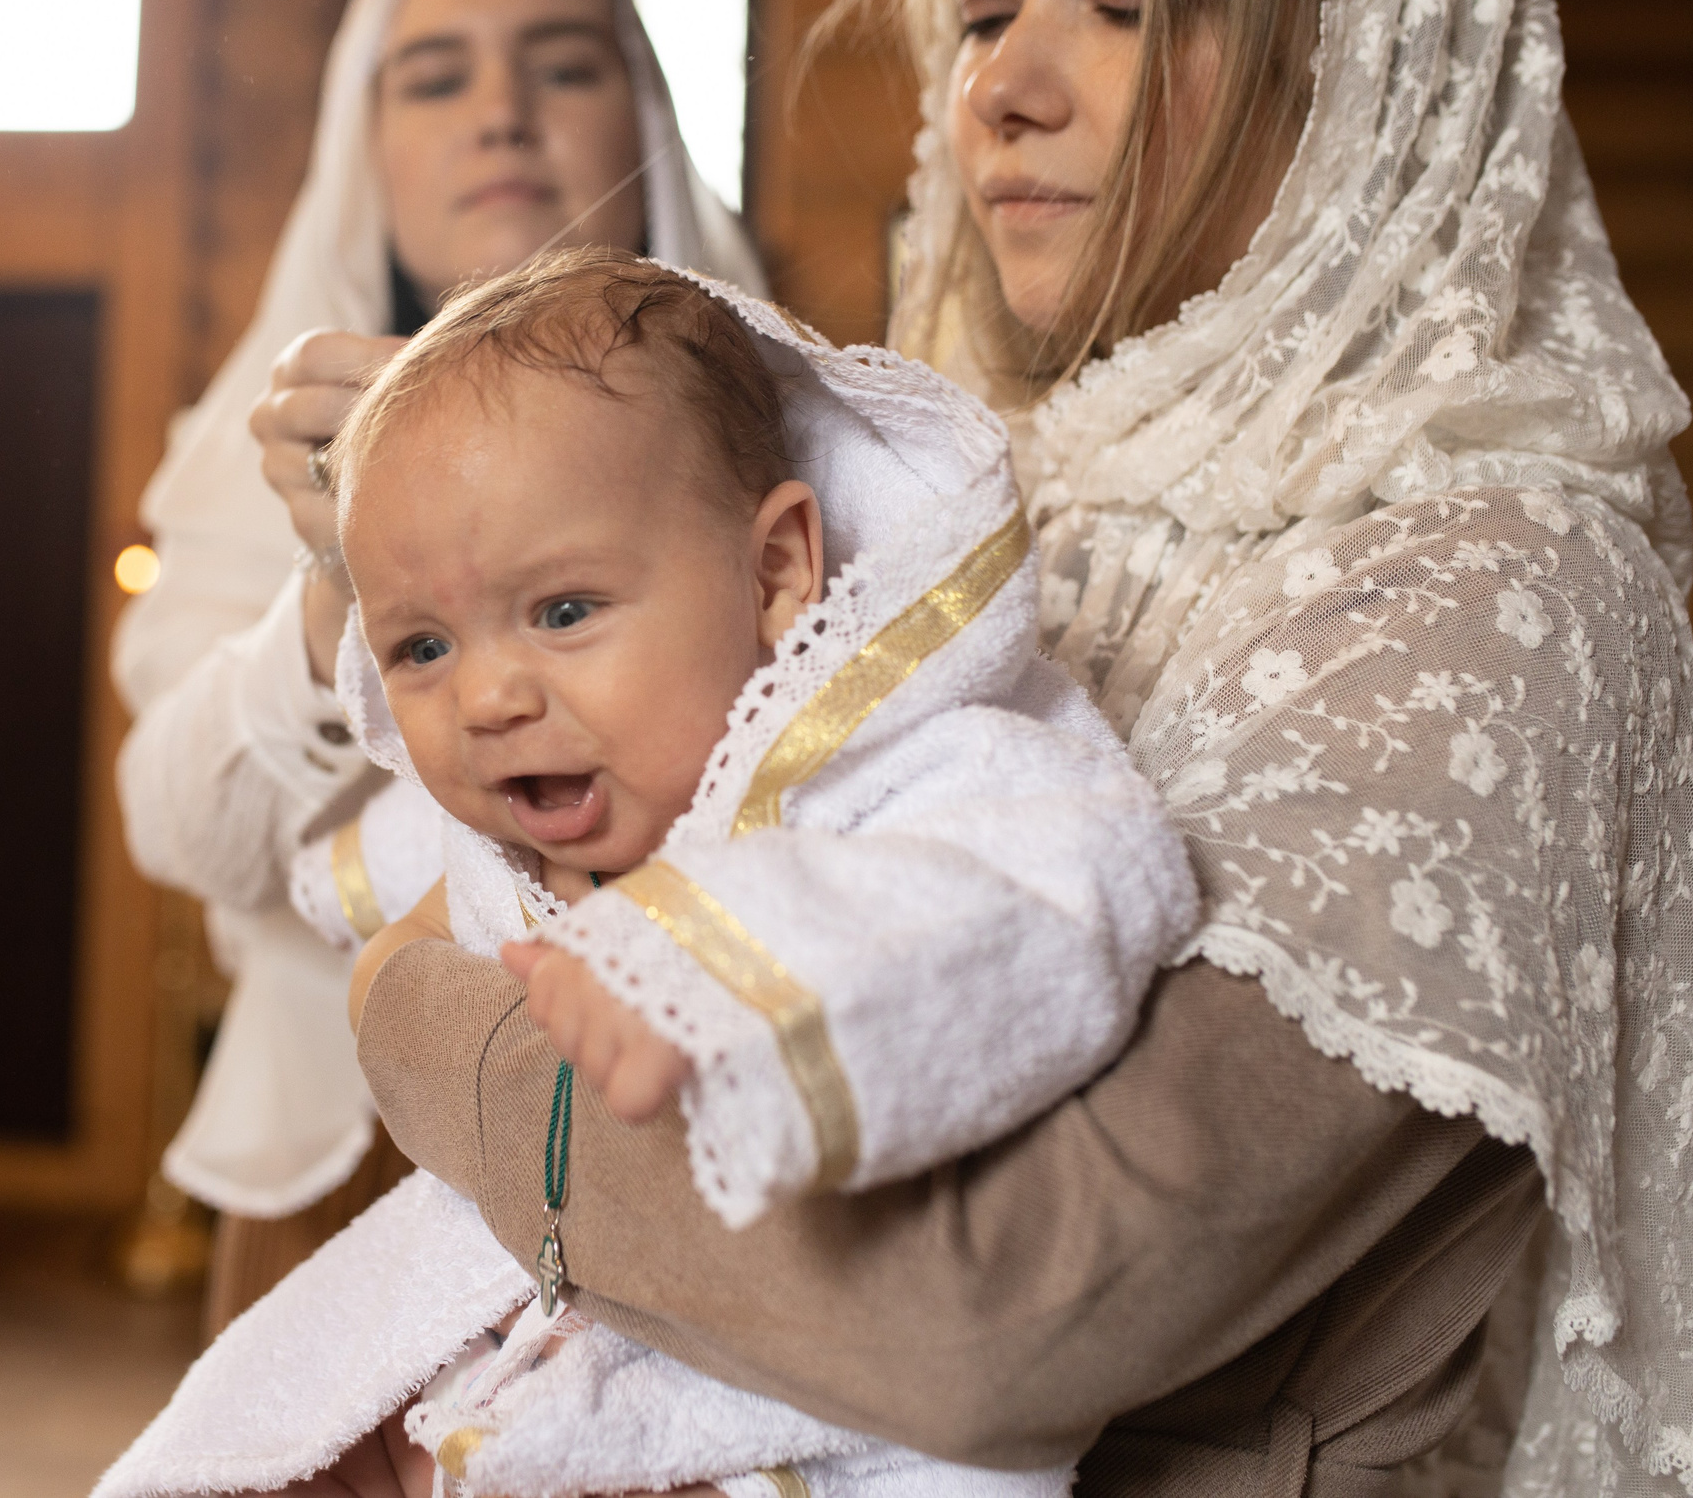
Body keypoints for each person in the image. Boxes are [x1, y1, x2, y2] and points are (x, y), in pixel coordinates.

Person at [348, 0, 1693, 1496]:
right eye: (983, 10)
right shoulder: (967, 506)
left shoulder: (1502, 593)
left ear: (1354, 59)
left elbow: (980, 1314)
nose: (1005, 86)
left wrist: (420, 1016)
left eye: (1120, 2)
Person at [97, 252, 1191, 1498]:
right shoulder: (509, 829)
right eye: (420, 646)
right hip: (527, 1347)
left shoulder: (919, 765)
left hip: (796, 1398)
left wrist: (722, 961)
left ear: (776, 569)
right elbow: (378, 915)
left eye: (563, 612)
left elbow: (1062, 897)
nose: (489, 698)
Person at [111, 0, 765, 1336]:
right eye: (436, 74)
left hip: (694, 1173)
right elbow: (176, 825)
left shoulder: (786, 421)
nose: (502, 111)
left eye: (565, 61)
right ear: (368, 141)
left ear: (643, 115)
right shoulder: (257, 443)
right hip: (342, 1173)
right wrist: (339, 582)